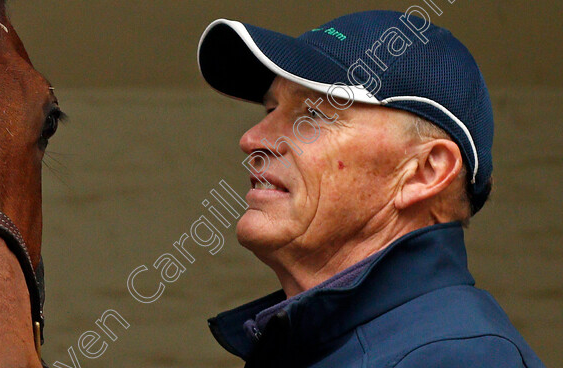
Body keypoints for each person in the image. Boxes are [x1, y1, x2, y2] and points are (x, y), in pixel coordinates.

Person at [196, 10, 544, 367]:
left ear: (425, 172)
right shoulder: (334, 347)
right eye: (271, 108)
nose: (251, 139)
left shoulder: (457, 357)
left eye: (314, 114)